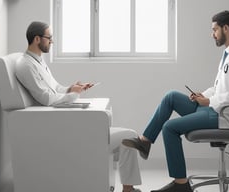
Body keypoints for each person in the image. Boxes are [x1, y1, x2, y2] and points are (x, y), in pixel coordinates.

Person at [122, 10, 229, 192]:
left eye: (214, 30)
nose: (212, 34)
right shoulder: (228, 53)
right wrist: (203, 95)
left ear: (226, 28)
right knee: (171, 96)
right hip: (214, 108)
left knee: (169, 128)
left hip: (224, 116)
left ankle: (181, 185)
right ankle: (145, 141)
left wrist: (209, 101)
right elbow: (219, 88)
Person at [15, 21, 142, 192]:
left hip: (65, 118)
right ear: (37, 39)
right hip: (61, 125)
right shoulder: (25, 65)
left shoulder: (38, 61)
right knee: (130, 136)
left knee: (127, 135)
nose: (51, 41)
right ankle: (129, 189)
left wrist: (72, 88)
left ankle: (128, 188)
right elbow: (45, 98)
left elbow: (55, 88)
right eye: (49, 38)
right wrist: (74, 95)